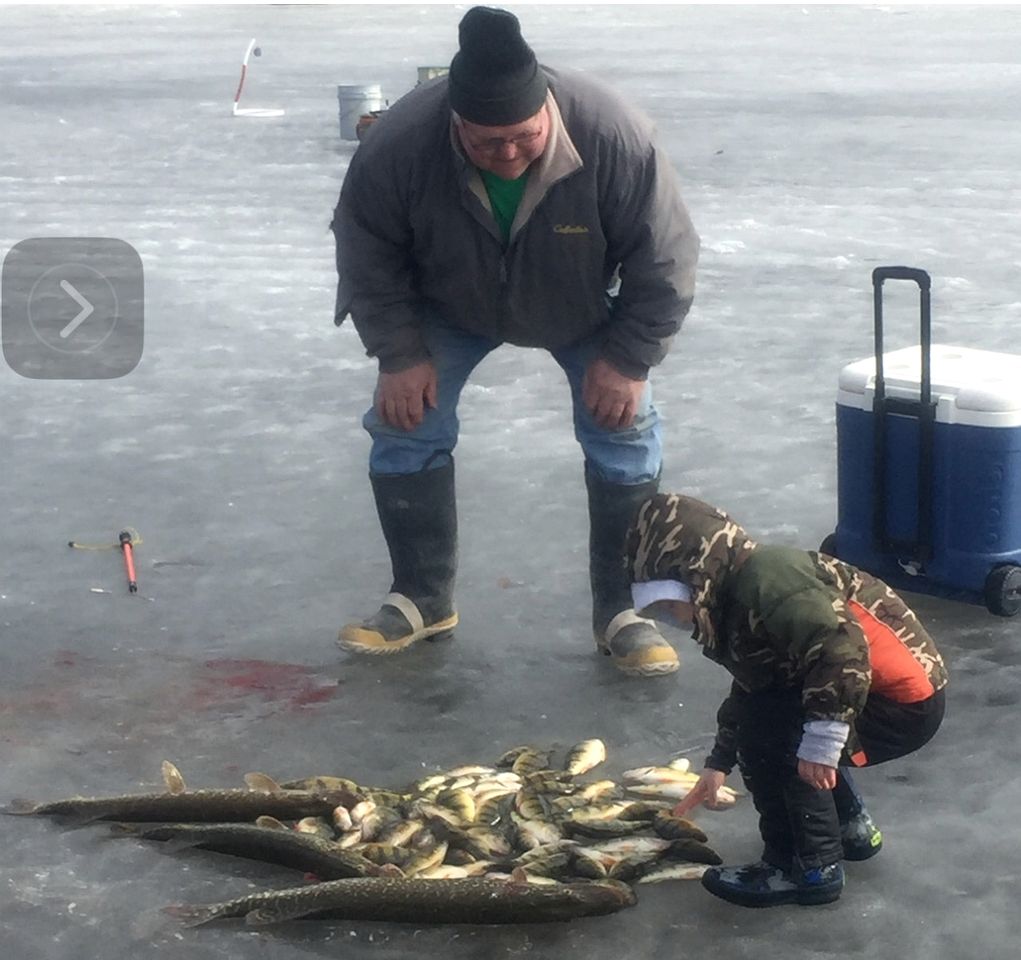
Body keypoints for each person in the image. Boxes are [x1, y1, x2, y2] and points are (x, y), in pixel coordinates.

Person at [330, 6, 700, 675]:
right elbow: (366, 252)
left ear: (546, 112)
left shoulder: (613, 135)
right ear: (456, 122)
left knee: (624, 429)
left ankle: (623, 611)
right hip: (449, 302)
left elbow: (665, 258)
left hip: (579, 304)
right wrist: (400, 354)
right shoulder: (401, 142)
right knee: (404, 423)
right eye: (485, 142)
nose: (506, 153)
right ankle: (421, 598)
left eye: (523, 137)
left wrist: (627, 360)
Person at [624, 493, 948, 907]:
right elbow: (755, 687)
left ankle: (805, 868)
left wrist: (823, 740)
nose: (673, 618)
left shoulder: (768, 581)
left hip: (898, 701)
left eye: (671, 603)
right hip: (865, 691)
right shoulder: (733, 596)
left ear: (697, 573)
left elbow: (840, 650)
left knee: (776, 745)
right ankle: (850, 829)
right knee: (771, 723)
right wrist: (719, 763)